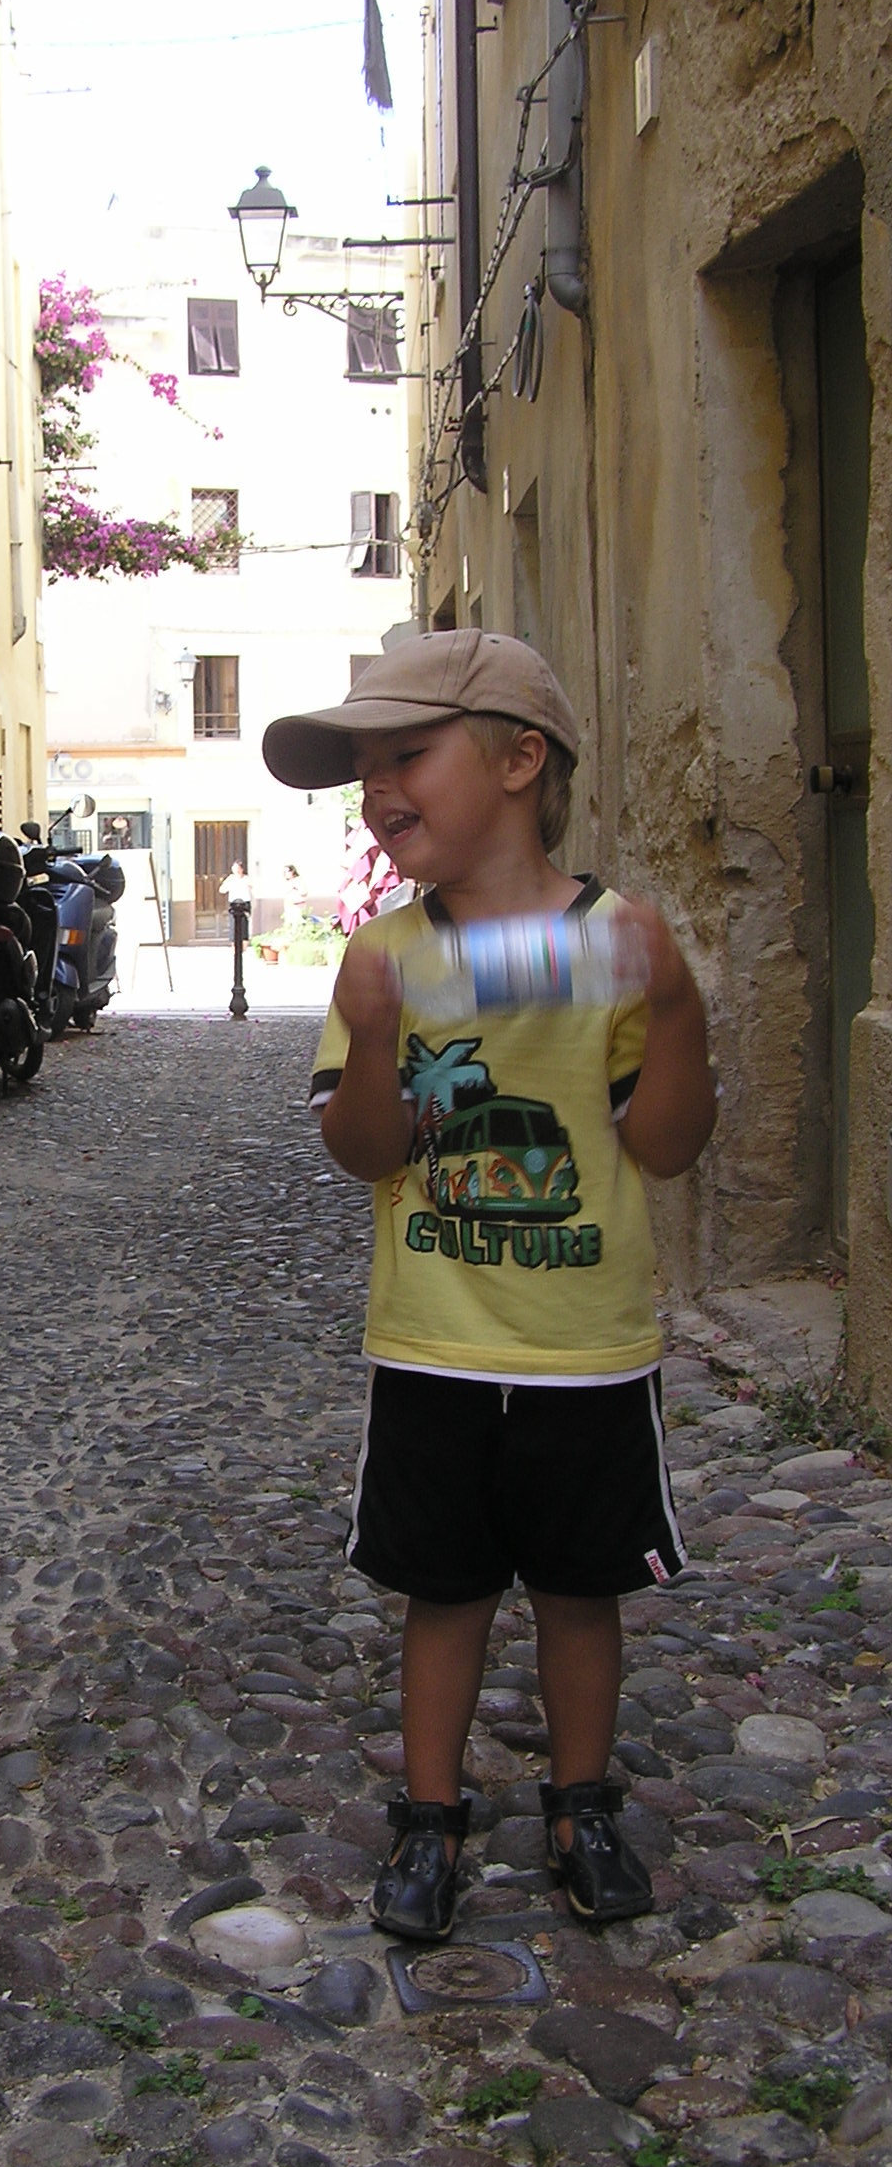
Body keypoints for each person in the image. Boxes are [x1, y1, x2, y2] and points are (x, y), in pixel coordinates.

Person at [263, 630, 715, 1942]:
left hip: (586, 1348)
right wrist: (372, 1037)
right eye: (365, 768)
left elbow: (667, 1146)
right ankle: (430, 1813)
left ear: (521, 762)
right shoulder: (387, 954)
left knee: (581, 1588)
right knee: (442, 1589)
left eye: (406, 755)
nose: (376, 789)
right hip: (433, 1346)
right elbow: (366, 1153)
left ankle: (581, 1802)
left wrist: (675, 1010)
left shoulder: (613, 941)